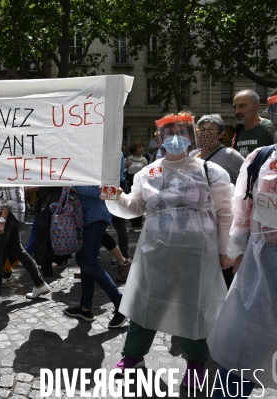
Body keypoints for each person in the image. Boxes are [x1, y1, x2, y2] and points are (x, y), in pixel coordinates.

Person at [107, 112, 235, 387]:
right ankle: (133, 356)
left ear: (191, 135)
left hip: (197, 253)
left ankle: (196, 361)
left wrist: (226, 251)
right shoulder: (148, 172)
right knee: (145, 303)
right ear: (159, 138)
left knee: (195, 306)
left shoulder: (211, 172)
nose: (175, 137)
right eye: (168, 132)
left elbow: (226, 213)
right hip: (155, 252)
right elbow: (134, 208)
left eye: (181, 131)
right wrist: (115, 196)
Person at [208, 77, 277, 399]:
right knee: (233, 374)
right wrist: (236, 258)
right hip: (257, 288)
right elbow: (242, 218)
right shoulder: (259, 160)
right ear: (274, 115)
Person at [190, 114, 244, 288]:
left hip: (221, 221)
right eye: (202, 130)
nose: (205, 134)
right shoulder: (192, 154)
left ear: (221, 134)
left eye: (211, 130)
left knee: (223, 276)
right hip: (196, 225)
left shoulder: (230, 155)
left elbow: (247, 181)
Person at [63, 186, 127, 327]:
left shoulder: (95, 166)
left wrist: (74, 185)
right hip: (86, 217)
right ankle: (85, 308)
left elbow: (101, 191)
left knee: (89, 264)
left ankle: (122, 304)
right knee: (83, 261)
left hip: (95, 217)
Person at [0, 186, 50, 307]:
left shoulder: (5, 169)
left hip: (6, 213)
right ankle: (40, 284)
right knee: (17, 249)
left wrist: (2, 221)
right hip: (12, 213)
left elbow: (9, 198)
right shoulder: (9, 168)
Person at [232, 89, 274, 157]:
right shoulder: (238, 131)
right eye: (234, 107)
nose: (237, 111)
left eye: (242, 106)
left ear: (256, 106)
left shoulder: (270, 128)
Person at [125, 141, 148, 232]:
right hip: (130, 181)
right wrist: (126, 166)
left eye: (142, 147)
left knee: (140, 201)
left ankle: (138, 223)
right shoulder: (128, 159)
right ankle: (133, 222)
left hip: (140, 182)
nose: (142, 149)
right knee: (132, 201)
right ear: (134, 149)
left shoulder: (144, 160)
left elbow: (146, 172)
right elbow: (123, 171)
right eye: (139, 147)